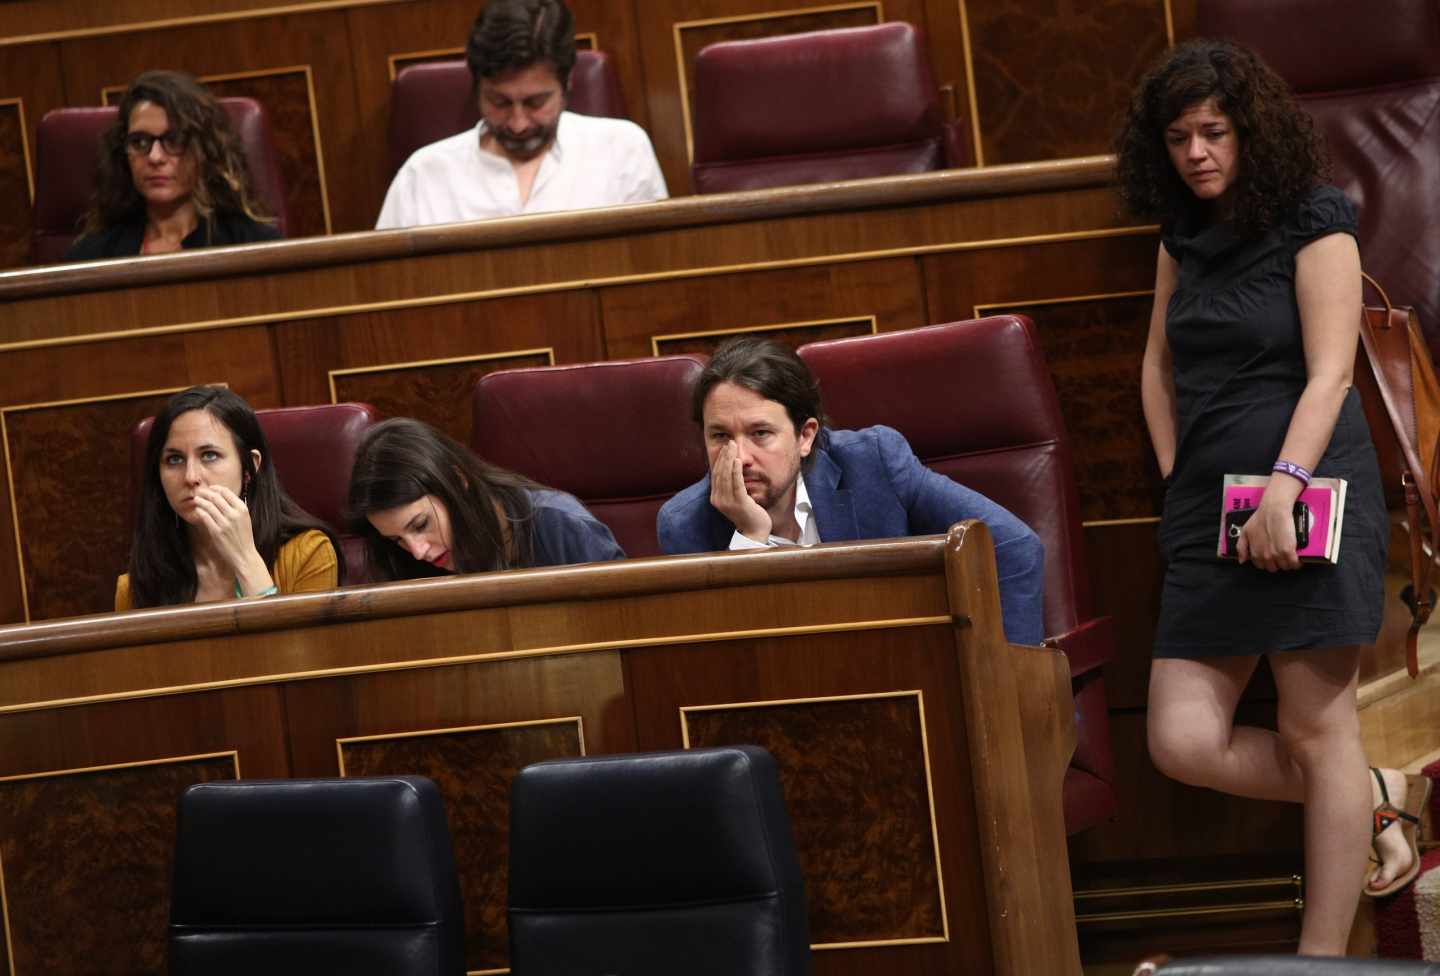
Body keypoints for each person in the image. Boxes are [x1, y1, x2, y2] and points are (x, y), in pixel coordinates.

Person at [1118, 40, 1422, 953]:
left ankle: (1319, 960)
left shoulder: (1313, 217)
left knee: (1312, 723)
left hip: (1314, 490)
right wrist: (1179, 477)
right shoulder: (1180, 236)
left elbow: (1330, 374)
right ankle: (1370, 794)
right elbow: (1157, 364)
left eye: (1214, 131)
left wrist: (1284, 488)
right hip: (1208, 506)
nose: (1198, 152)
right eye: (1179, 137)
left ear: (1251, 132)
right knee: (1180, 739)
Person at [656, 337, 1045, 646]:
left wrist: (1004, 685)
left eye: (761, 434)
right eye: (720, 436)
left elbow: (1013, 548)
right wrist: (750, 539)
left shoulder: (873, 464)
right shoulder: (686, 524)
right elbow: (718, 659)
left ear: (805, 435)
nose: (739, 457)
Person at [375, 0, 667, 229]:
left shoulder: (623, 150)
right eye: (499, 102)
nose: (518, 124)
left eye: (535, 103)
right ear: (476, 88)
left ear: (567, 85)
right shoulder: (424, 176)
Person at [118, 386, 339, 610]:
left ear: (249, 467)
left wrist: (245, 560)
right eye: (174, 459)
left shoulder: (309, 554)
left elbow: (296, 646)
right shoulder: (135, 587)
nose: (191, 477)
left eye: (209, 455)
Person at [347, 417, 625, 578]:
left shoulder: (559, 524)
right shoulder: (402, 561)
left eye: (420, 525)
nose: (418, 551)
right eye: (397, 540)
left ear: (458, 480)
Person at [66, 70, 281, 261]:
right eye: (140, 142)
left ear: (203, 150)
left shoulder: (253, 246)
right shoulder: (91, 256)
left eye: (174, 141)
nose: (155, 157)